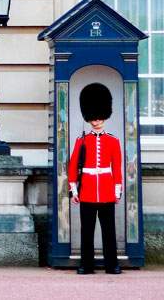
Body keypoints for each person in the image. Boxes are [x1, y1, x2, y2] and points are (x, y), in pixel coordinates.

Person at [68, 83, 123, 275]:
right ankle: (86, 264)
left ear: (105, 115)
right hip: (88, 192)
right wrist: (74, 191)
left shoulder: (113, 141)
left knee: (109, 231)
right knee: (87, 231)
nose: (96, 121)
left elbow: (117, 168)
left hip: (107, 191)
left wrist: (117, 191)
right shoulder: (81, 141)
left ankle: (112, 264)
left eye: (99, 117)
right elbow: (73, 166)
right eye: (93, 117)